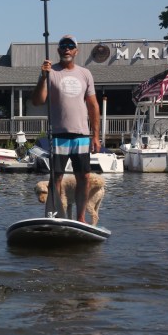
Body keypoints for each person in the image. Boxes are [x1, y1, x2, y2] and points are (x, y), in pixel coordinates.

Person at [32, 34, 101, 224]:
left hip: (81, 135)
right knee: (57, 177)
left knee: (84, 176)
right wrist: (42, 77)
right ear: (58, 50)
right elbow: (38, 101)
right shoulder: (50, 72)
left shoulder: (85, 73)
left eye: (71, 46)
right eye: (63, 46)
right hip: (59, 135)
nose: (67, 49)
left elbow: (93, 105)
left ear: (76, 51)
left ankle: (81, 218)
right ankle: (56, 216)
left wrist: (96, 136)